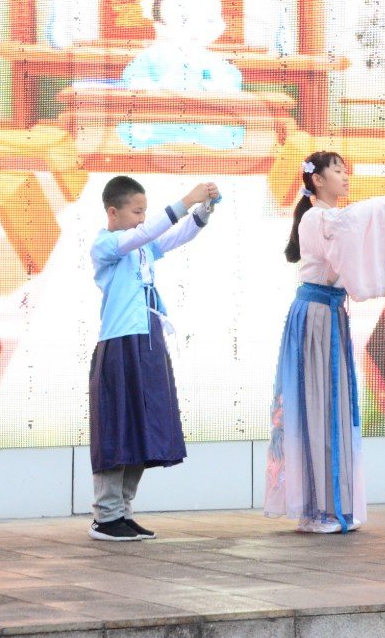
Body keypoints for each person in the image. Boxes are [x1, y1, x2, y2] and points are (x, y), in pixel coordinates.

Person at [264, 151, 385, 533]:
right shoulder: (318, 218)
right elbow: (355, 223)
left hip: (328, 315)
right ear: (317, 179)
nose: (344, 176)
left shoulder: (329, 217)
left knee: (331, 407)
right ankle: (318, 509)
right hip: (316, 317)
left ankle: (331, 505)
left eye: (345, 170)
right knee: (318, 408)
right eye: (337, 170)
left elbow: (359, 229)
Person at [87, 174, 219, 541]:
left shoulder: (141, 247)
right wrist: (184, 201)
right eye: (136, 211)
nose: (142, 219)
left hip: (148, 341)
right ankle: (106, 516)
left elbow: (175, 237)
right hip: (120, 343)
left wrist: (204, 209)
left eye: (145, 211)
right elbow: (144, 235)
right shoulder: (106, 245)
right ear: (112, 212)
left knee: (144, 427)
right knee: (118, 427)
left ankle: (123, 511)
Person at [120, 0, 242, 93]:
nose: (197, 28)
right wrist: (153, 88)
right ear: (161, 27)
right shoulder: (150, 58)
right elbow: (134, 80)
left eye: (210, 20)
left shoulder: (213, 61)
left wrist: (218, 85)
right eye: (184, 20)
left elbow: (231, 81)